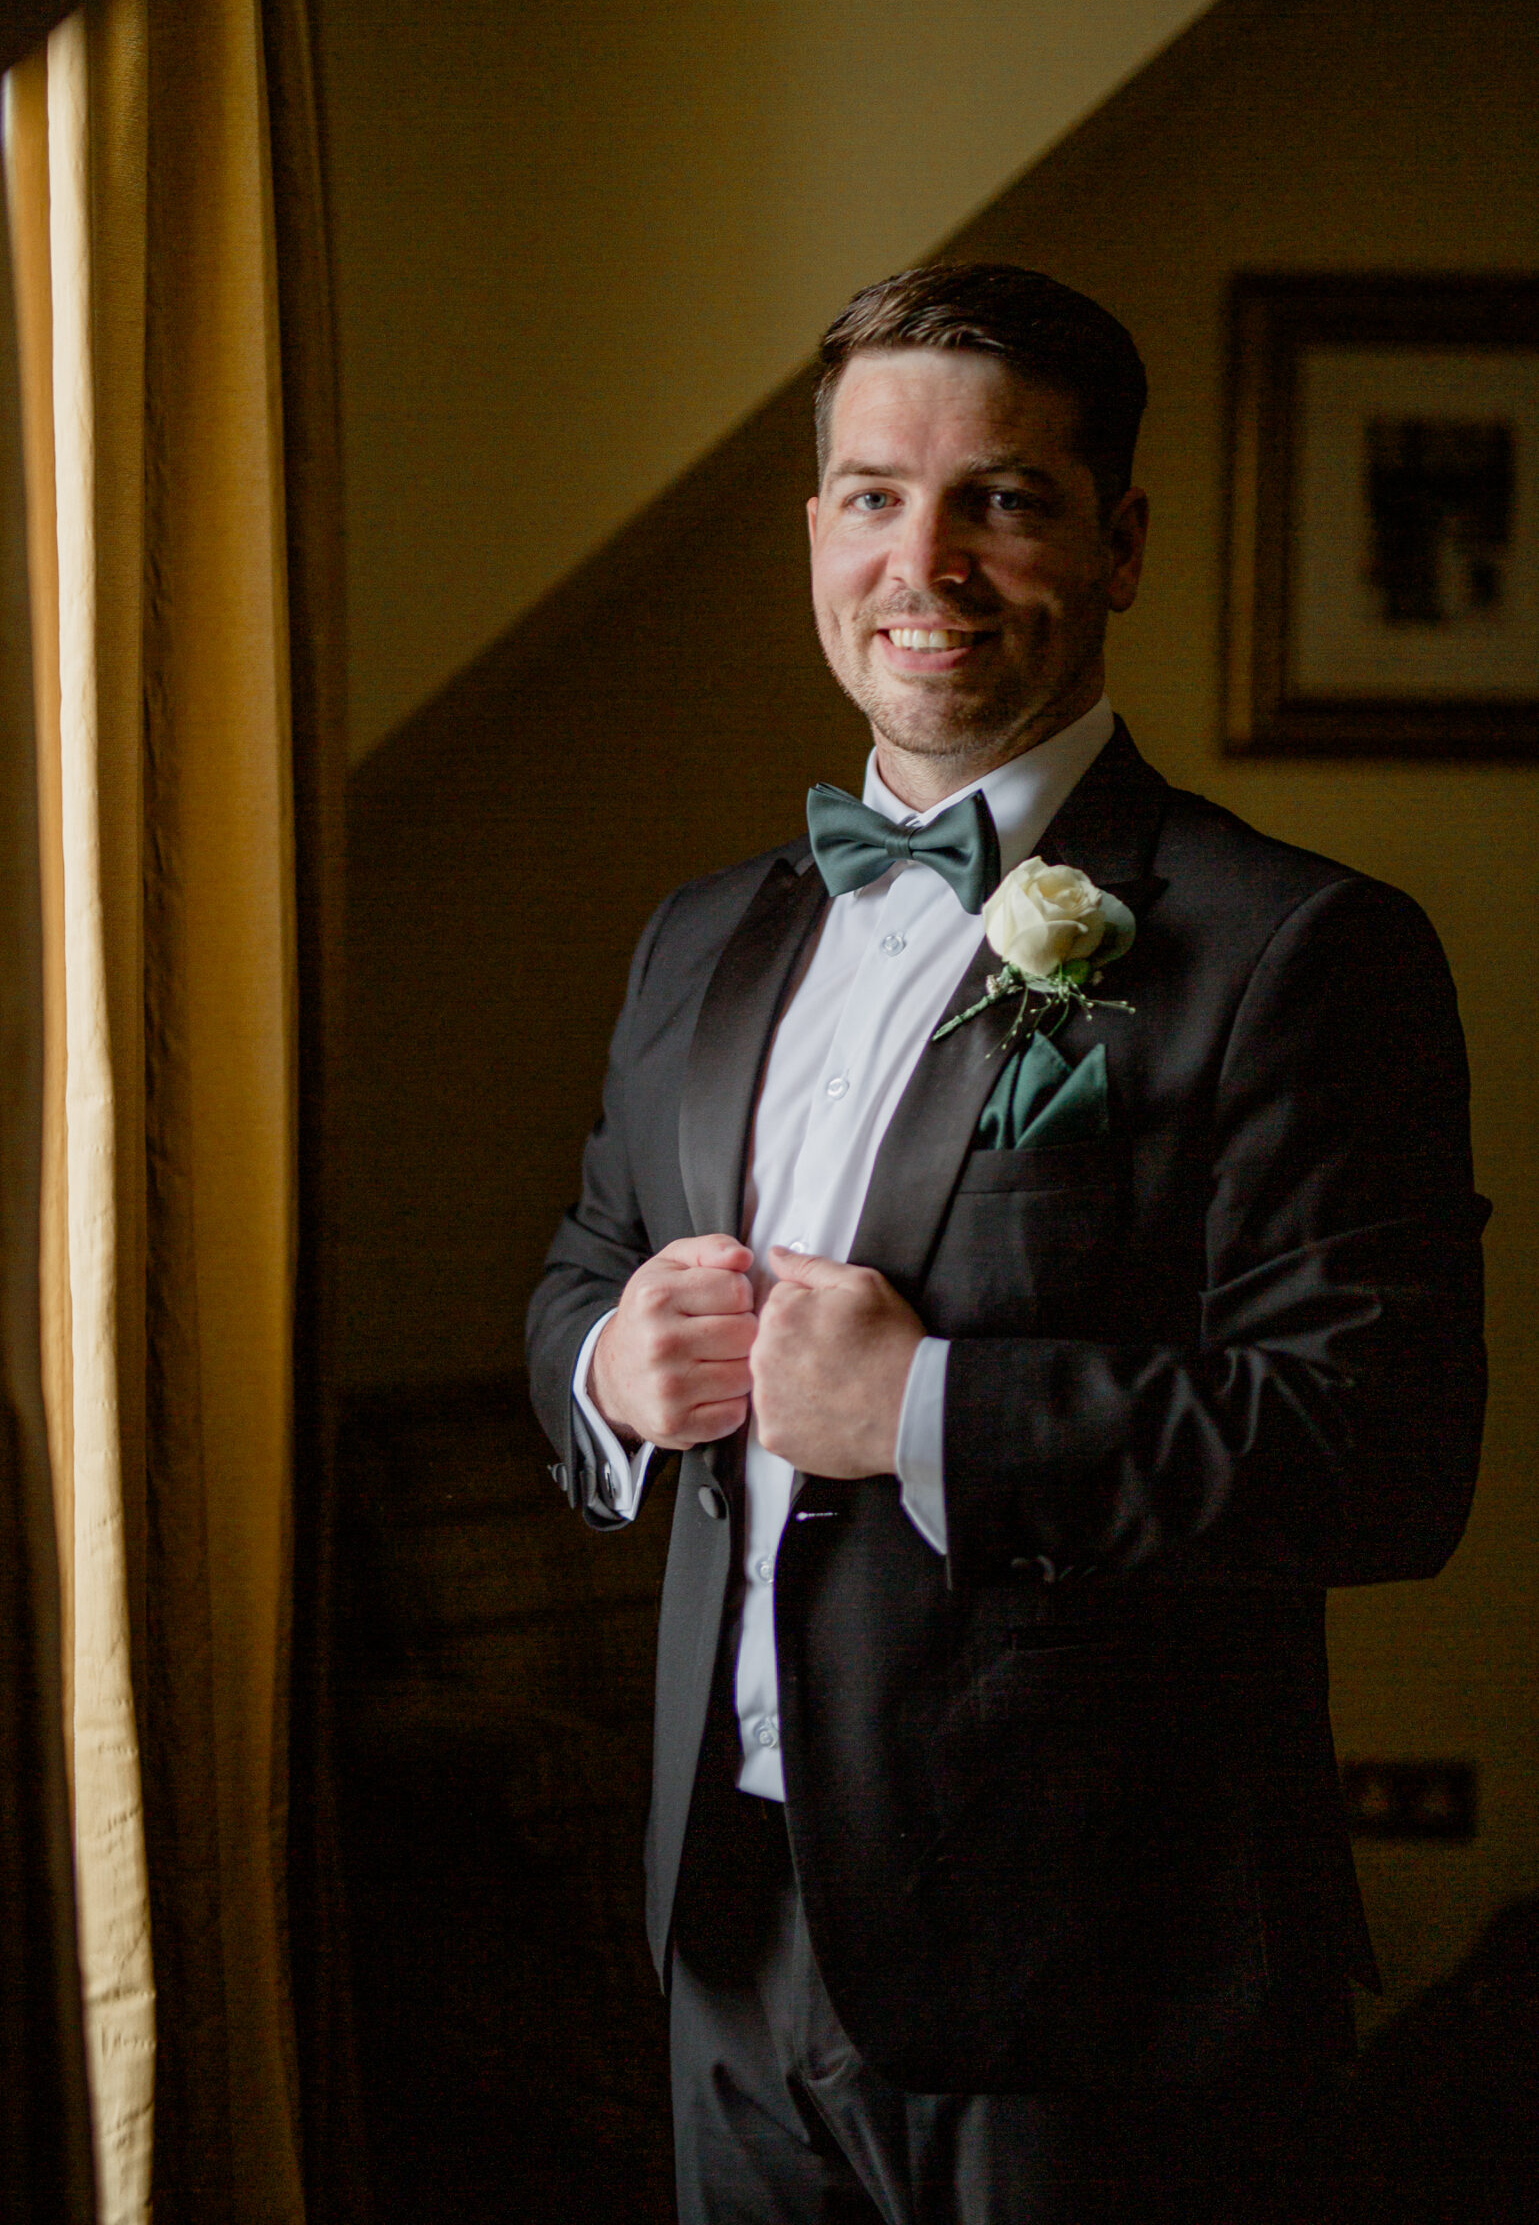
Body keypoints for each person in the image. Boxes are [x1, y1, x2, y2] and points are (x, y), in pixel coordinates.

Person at [526, 262, 1487, 2224]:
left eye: (1004, 498)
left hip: (1097, 1985)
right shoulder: (699, 937)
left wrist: (928, 1408)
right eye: (872, 494)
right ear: (812, 530)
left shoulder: (1300, 946)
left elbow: (1379, 1446)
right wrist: (605, 1365)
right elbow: (582, 1253)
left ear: (1116, 541)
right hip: (726, 1930)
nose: (923, 560)